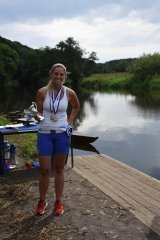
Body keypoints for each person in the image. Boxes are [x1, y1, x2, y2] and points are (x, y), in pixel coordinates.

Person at [35, 63, 80, 216]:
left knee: (59, 169)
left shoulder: (69, 93)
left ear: (65, 76)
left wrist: (69, 120)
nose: (59, 77)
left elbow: (76, 107)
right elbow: (40, 113)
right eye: (56, 74)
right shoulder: (42, 92)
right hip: (45, 134)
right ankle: (42, 200)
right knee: (45, 170)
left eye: (62, 74)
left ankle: (58, 201)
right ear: (51, 74)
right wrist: (34, 114)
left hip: (61, 134)